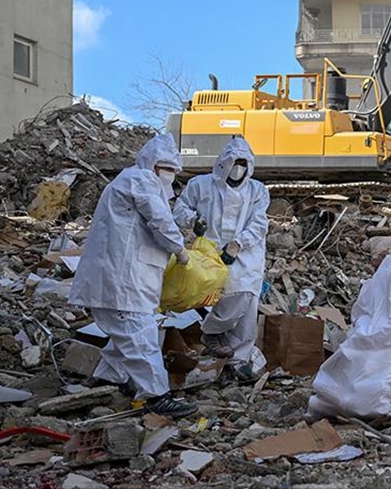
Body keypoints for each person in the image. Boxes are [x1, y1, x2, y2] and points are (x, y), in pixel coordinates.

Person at [68, 133, 199, 417]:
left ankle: (106, 379)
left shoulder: (136, 182)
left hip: (126, 277)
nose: (170, 176)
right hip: (122, 278)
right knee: (139, 334)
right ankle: (156, 396)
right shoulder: (139, 179)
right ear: (154, 165)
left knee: (126, 332)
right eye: (168, 169)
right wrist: (180, 249)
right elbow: (160, 220)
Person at [173, 138, 269, 384]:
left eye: (242, 164)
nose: (238, 169)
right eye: (234, 163)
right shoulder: (201, 185)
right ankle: (213, 334)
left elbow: (259, 223)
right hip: (209, 253)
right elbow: (180, 209)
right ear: (223, 164)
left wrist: (239, 244)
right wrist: (193, 221)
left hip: (246, 254)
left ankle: (235, 363)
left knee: (245, 301)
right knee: (223, 298)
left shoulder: (257, 191)